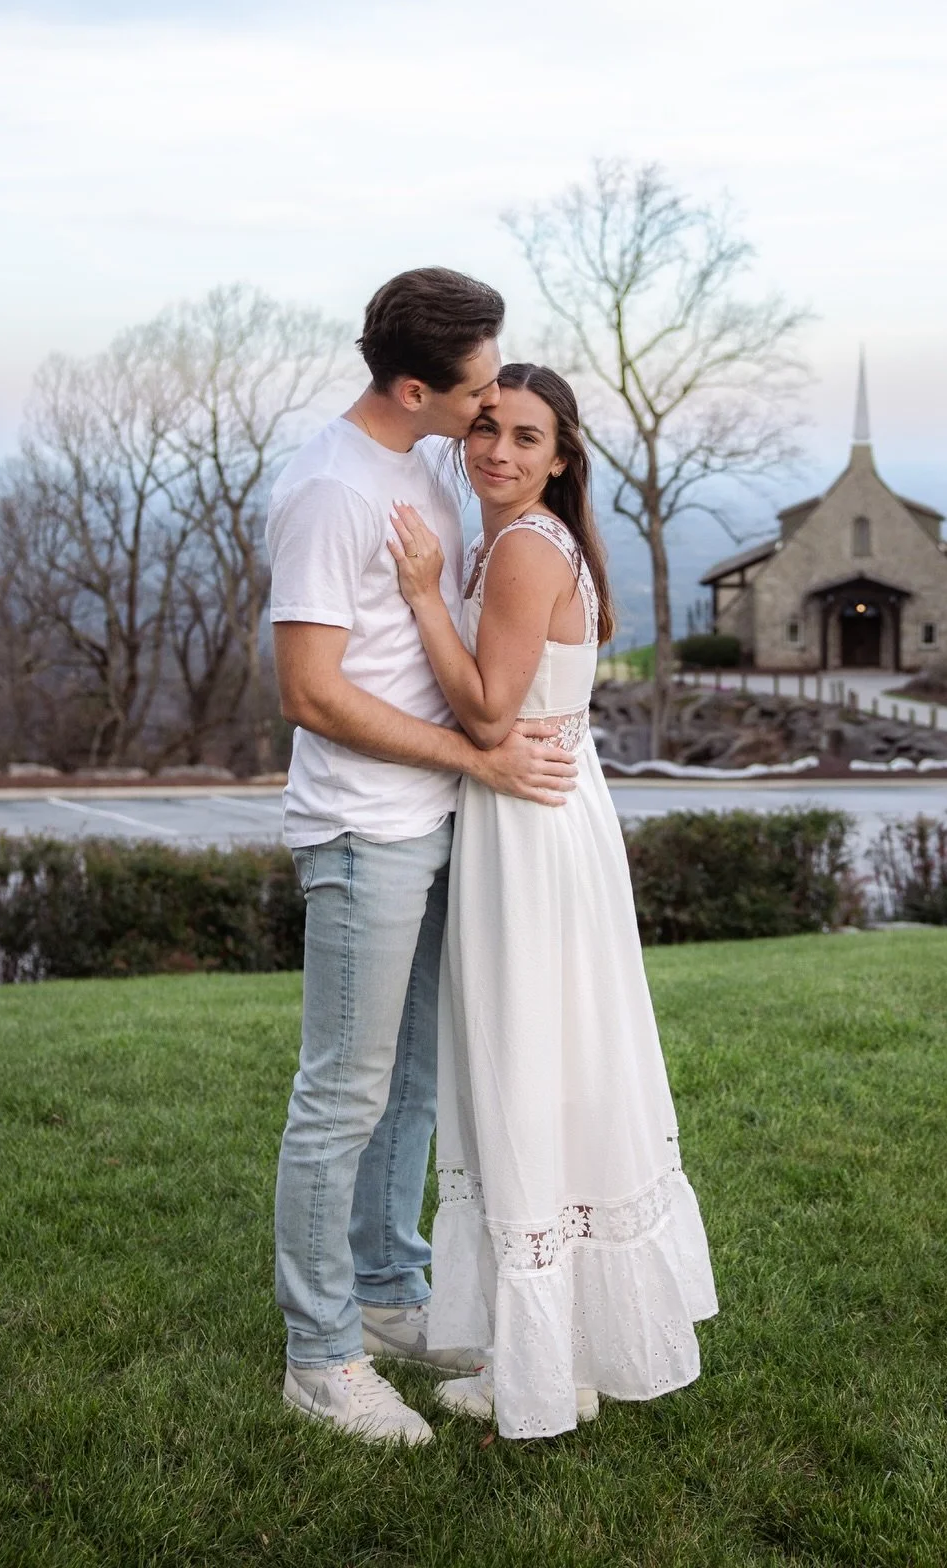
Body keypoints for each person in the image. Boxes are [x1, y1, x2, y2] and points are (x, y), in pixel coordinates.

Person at [268, 271, 580, 1447]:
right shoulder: (331, 492)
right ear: (414, 389)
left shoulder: (426, 465)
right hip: (365, 827)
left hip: (439, 814)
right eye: (478, 385)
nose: (493, 396)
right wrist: (477, 754)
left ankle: (392, 1296)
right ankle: (321, 1356)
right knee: (340, 1094)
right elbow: (308, 690)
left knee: (413, 1083)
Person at [387, 362, 718, 1440]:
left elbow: (488, 713)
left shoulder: (524, 549)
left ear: (561, 457)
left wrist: (424, 595)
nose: (498, 451)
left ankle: (546, 1368)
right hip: (536, 819)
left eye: (527, 438)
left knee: (526, 1064)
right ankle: (549, 1351)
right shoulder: (523, 537)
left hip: (528, 830)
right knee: (540, 1065)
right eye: (485, 429)